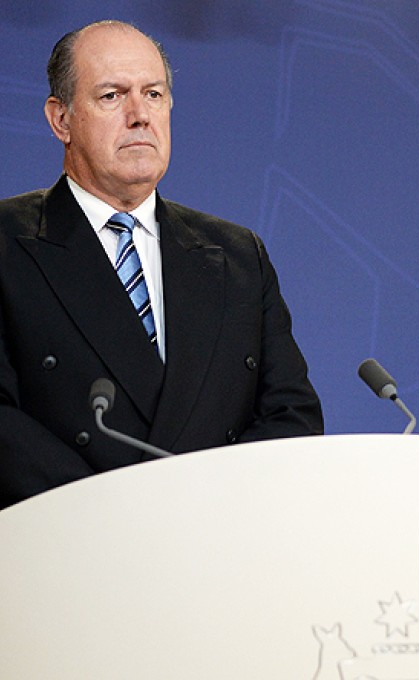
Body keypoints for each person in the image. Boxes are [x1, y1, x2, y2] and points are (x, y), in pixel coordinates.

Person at [0, 20, 323, 511]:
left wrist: (202, 509)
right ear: (61, 119)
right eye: (112, 96)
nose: (139, 115)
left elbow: (291, 415)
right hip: (65, 548)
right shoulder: (8, 243)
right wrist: (116, 511)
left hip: (213, 548)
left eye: (153, 94)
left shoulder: (238, 256)